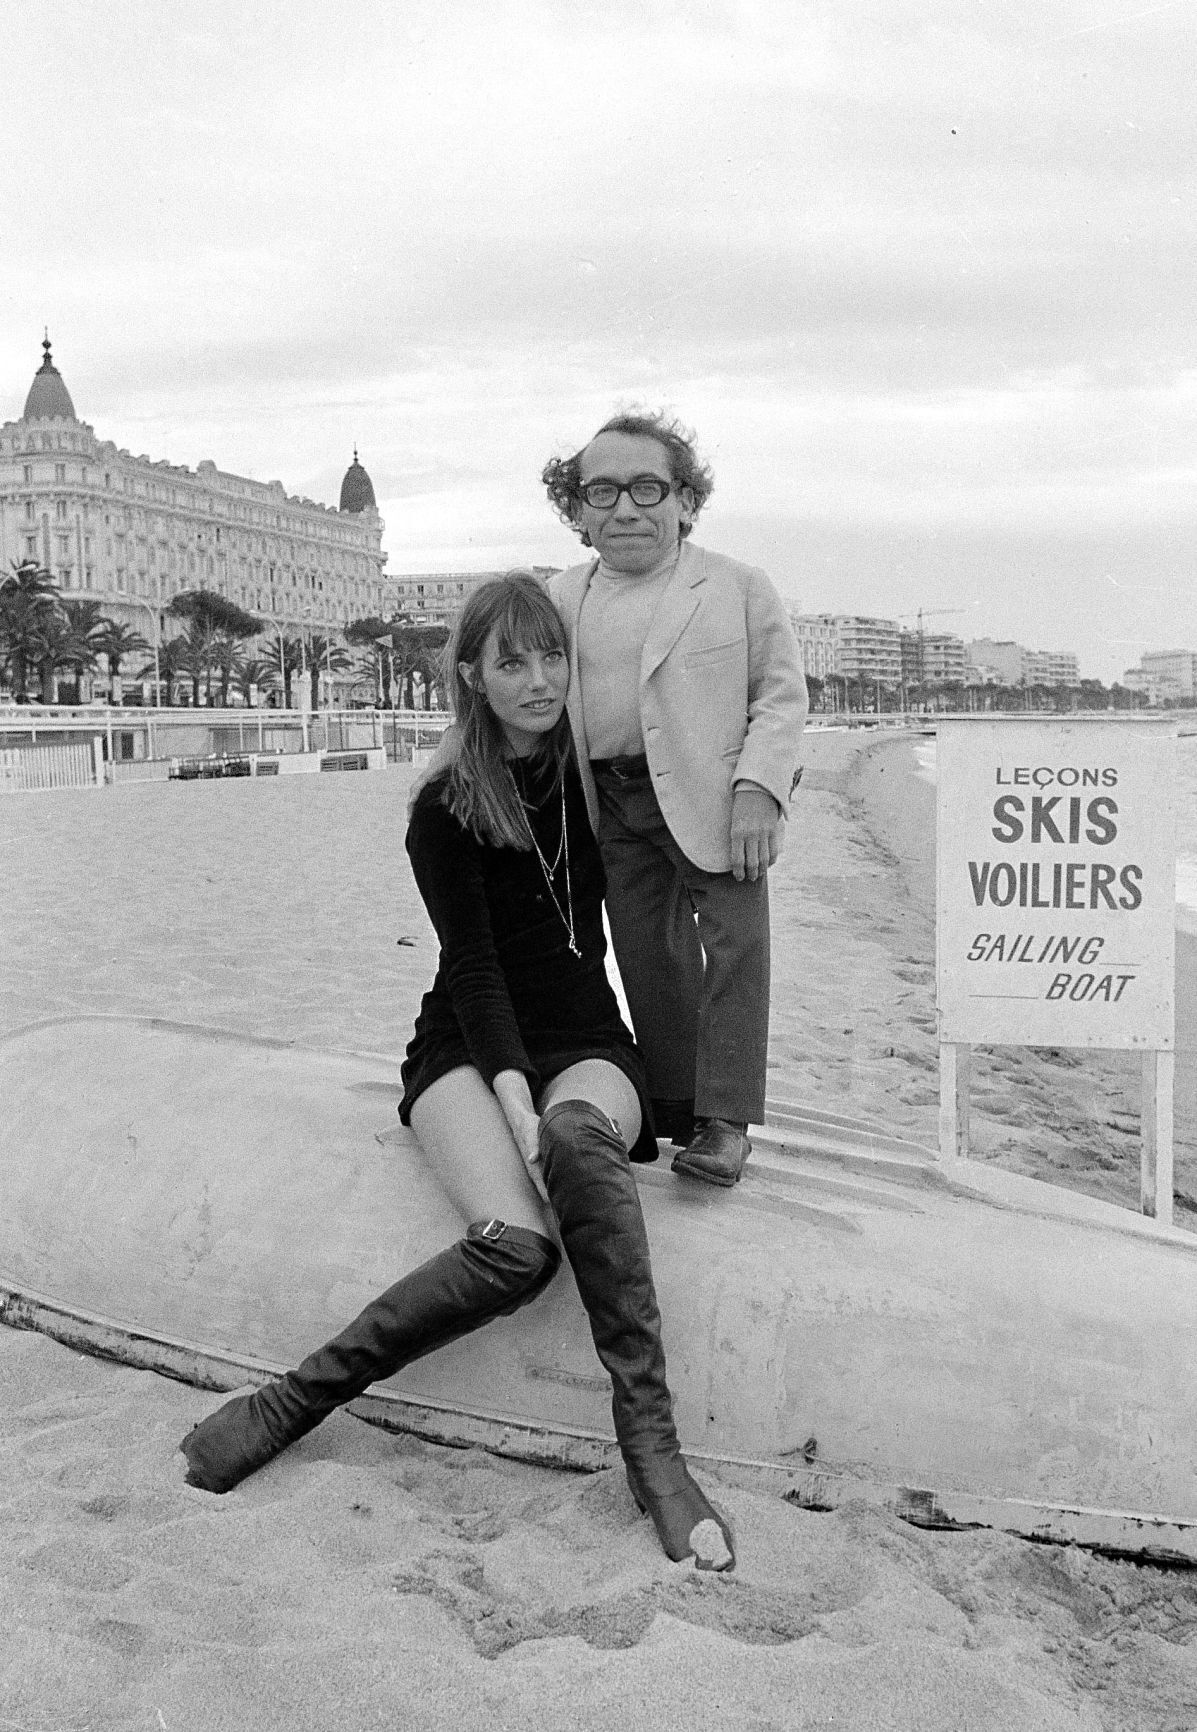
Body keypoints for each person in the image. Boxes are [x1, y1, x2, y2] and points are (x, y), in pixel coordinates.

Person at [179, 573, 734, 1573]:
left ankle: (651, 1449)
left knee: (577, 1135)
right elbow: (476, 976)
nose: (538, 679)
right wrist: (514, 1104)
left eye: (551, 655)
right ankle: (293, 1400)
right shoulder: (442, 807)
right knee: (517, 1249)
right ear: (471, 674)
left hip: (590, 1044)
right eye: (511, 660)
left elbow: (686, 868)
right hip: (465, 1048)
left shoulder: (591, 779)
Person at [541, 410, 807, 1187]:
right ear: (579, 512)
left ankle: (725, 1121)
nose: (625, 508)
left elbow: (782, 696)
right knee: (647, 954)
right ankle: (674, 1101)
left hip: (721, 801)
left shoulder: (736, 586)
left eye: (647, 487)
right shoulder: (560, 597)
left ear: (684, 500)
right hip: (609, 803)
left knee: (735, 950)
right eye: (602, 491)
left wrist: (761, 788)